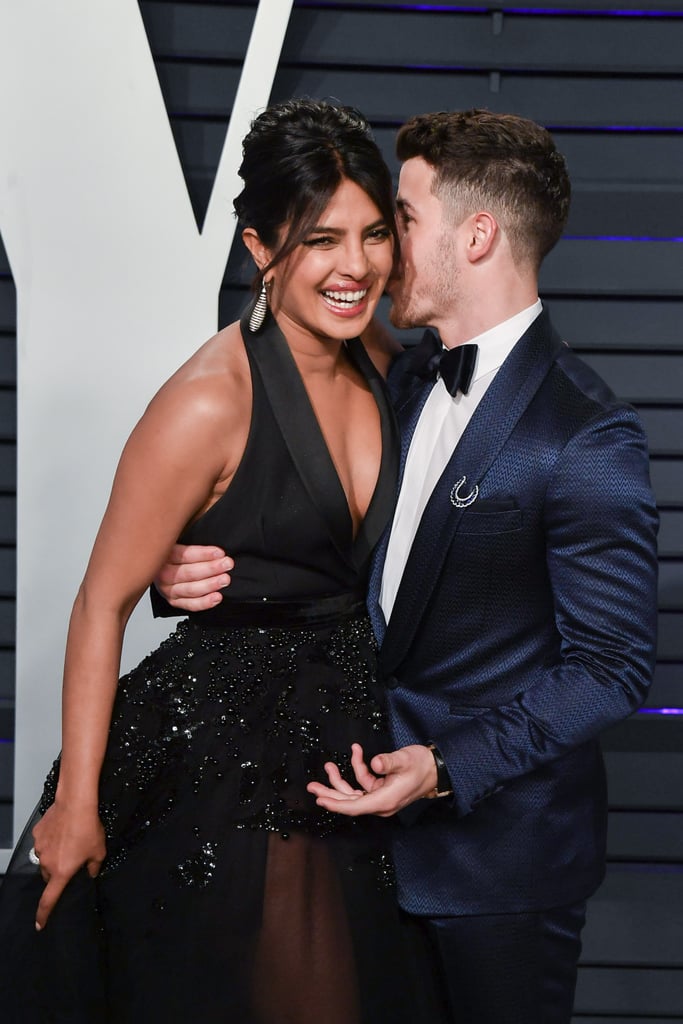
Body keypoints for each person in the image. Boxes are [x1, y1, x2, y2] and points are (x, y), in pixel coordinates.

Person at [155, 109, 659, 1024]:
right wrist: (179, 572)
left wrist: (441, 766)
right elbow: (310, 535)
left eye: (401, 218)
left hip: (496, 868)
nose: (379, 251)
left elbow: (611, 669)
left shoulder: (586, 436)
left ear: (475, 236)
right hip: (349, 839)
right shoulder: (402, 375)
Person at [0, 99, 438, 1024]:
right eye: (320, 240)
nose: (354, 267)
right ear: (259, 249)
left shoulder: (381, 356)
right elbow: (98, 603)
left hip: (351, 735)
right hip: (221, 760)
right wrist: (77, 804)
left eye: (371, 235)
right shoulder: (207, 402)